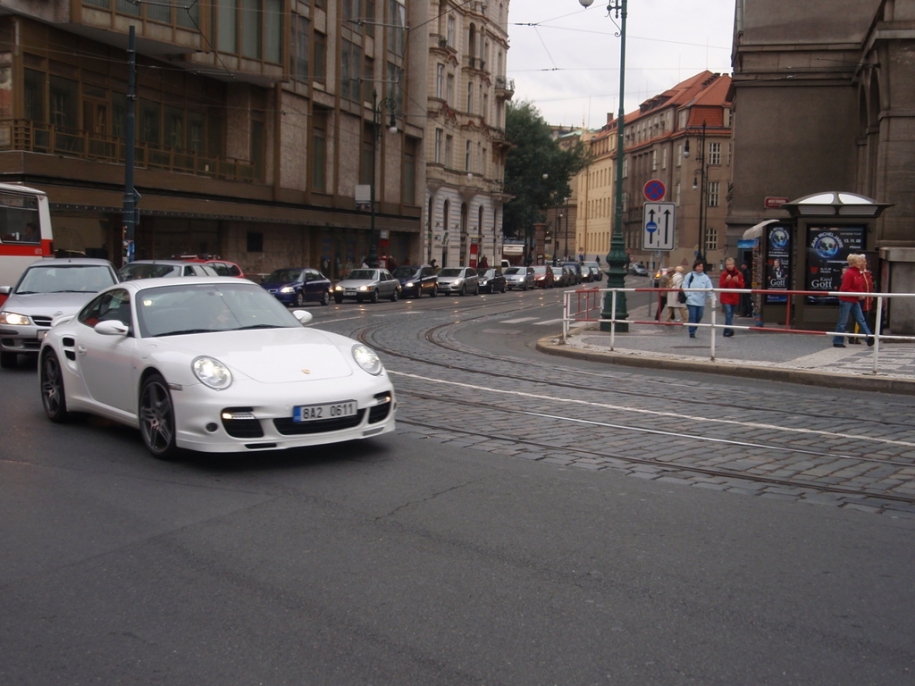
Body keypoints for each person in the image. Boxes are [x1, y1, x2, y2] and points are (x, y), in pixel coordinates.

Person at [832, 254, 874, 348]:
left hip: (854, 299)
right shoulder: (850, 273)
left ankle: (869, 337)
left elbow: (859, 286)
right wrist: (858, 294)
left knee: (861, 319)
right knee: (843, 321)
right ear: (854, 263)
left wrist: (860, 293)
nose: (861, 263)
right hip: (847, 300)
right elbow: (845, 288)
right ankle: (838, 340)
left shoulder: (856, 273)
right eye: (859, 261)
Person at [683, 260, 714, 338]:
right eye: (698, 266)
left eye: (701, 266)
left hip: (701, 301)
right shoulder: (690, 275)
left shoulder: (705, 277)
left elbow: (710, 288)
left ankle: (694, 328)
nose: (700, 268)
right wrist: (688, 295)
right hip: (691, 300)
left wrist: (713, 298)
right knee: (692, 316)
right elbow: (685, 285)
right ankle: (692, 332)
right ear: (695, 267)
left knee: (699, 316)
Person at [719, 257, 745, 337]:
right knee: (728, 313)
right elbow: (720, 286)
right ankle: (730, 329)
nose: (729, 266)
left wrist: (737, 282)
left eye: (730, 264)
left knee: (730, 315)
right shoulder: (724, 274)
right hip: (726, 297)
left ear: (733, 265)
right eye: (727, 265)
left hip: (734, 297)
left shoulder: (739, 274)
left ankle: (726, 332)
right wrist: (726, 281)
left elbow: (742, 286)